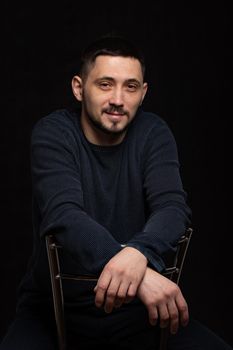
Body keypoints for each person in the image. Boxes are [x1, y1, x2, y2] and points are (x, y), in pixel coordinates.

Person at [1, 35, 232, 350]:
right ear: (79, 88)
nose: (119, 100)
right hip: (55, 311)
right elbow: (64, 215)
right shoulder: (54, 133)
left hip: (138, 314)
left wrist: (138, 255)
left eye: (131, 87)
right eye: (105, 84)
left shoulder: (153, 132)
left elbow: (172, 209)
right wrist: (143, 277)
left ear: (143, 93)